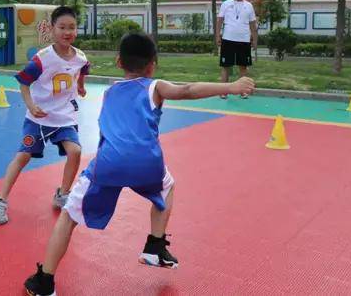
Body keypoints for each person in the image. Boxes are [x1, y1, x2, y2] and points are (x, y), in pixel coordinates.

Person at [24, 32, 255, 296]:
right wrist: (231, 86)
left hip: (109, 164)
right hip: (148, 164)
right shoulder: (154, 87)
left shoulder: (110, 92)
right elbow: (187, 90)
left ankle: (44, 282)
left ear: (119, 62)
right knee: (167, 186)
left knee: (67, 218)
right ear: (152, 64)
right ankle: (155, 245)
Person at [0, 6, 90, 226]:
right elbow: (24, 82)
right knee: (23, 157)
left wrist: (80, 86)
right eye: (62, 27)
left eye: (71, 27)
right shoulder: (42, 59)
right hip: (39, 118)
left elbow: (83, 70)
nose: (67, 32)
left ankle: (62, 193)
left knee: (76, 152)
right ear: (52, 29)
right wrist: (31, 105)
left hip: (65, 117)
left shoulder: (80, 56)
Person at [215, 0, 258, 99]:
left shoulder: (249, 6)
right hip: (228, 39)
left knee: (243, 67)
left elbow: (253, 25)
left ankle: (243, 91)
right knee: (226, 66)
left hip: (244, 40)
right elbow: (219, 21)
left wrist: (255, 40)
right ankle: (223, 91)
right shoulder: (226, 4)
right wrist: (217, 36)